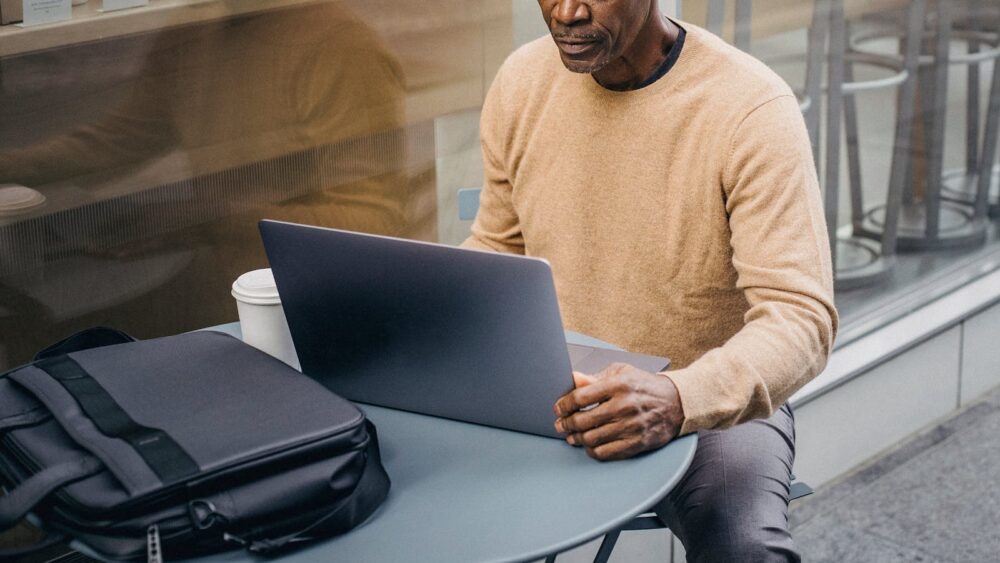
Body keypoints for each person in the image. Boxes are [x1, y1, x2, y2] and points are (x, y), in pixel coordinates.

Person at [462, 1, 838, 561]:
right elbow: (498, 248)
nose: (566, 12)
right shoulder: (522, 80)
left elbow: (801, 318)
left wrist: (678, 397)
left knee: (744, 547)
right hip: (554, 382)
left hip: (706, 391)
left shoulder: (751, 107)